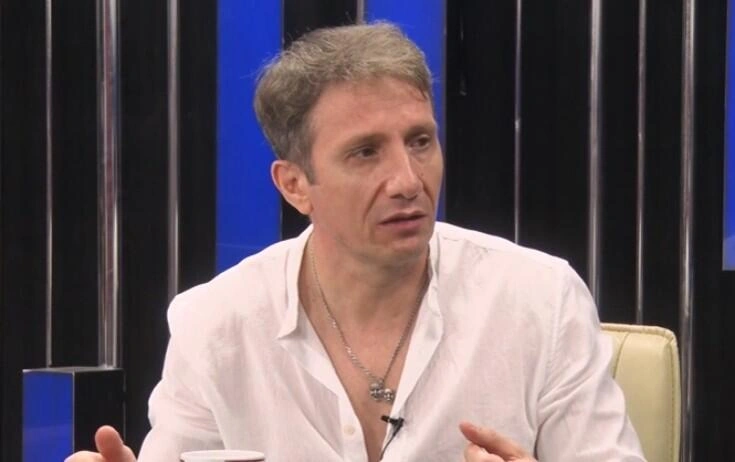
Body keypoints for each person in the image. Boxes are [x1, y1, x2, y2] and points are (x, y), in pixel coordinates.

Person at [66, 22, 645, 462]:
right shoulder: (215, 325)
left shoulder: (539, 300)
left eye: (420, 142)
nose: (408, 181)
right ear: (295, 185)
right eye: (366, 152)